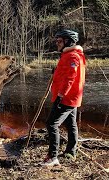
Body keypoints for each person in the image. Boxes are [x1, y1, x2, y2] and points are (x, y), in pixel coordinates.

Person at [41, 29, 86, 166]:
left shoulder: (72, 56)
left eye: (59, 41)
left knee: (51, 123)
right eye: (56, 41)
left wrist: (61, 95)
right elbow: (66, 74)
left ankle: (53, 156)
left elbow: (70, 78)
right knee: (71, 124)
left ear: (68, 41)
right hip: (71, 98)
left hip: (66, 98)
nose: (57, 44)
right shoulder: (72, 55)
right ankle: (71, 152)